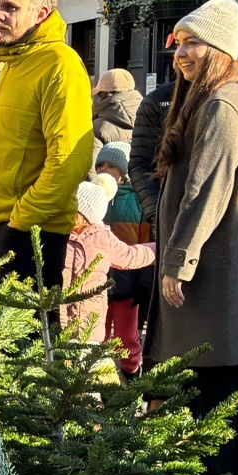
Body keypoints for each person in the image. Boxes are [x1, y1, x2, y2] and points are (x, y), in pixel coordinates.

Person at [147, 0, 238, 475]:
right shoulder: (223, 96)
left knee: (211, 369)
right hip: (215, 260)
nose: (181, 53)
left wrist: (179, 260)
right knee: (219, 369)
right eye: (180, 42)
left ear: (220, 49)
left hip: (210, 263)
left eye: (194, 42)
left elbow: (207, 188)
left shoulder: (222, 103)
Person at [0, 0, 93, 285]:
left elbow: (69, 161)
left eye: (10, 7)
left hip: (29, 232)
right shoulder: (12, 63)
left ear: (42, 14)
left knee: (27, 333)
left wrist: (20, 221)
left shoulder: (60, 64)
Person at [63, 179, 155, 362]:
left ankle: (127, 373)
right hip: (59, 320)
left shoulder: (103, 237)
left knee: (86, 370)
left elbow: (130, 255)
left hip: (89, 325)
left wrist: (157, 249)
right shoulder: (59, 236)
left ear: (84, 214)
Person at [94, 142, 152, 374]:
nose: (104, 171)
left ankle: (130, 373)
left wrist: (144, 281)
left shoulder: (138, 201)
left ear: (125, 173)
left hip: (128, 283)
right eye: (100, 166)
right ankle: (100, 379)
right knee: (99, 334)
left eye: (111, 167)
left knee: (126, 336)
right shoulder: (91, 199)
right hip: (97, 283)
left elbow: (146, 242)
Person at [128, 77, 175, 226]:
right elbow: (140, 164)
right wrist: (158, 215)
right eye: (176, 51)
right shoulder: (158, 100)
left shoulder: (233, 97)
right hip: (169, 215)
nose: (180, 54)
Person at [91, 68, 141, 150]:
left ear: (106, 94)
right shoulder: (151, 119)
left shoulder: (97, 129)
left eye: (99, 94)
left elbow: (92, 161)